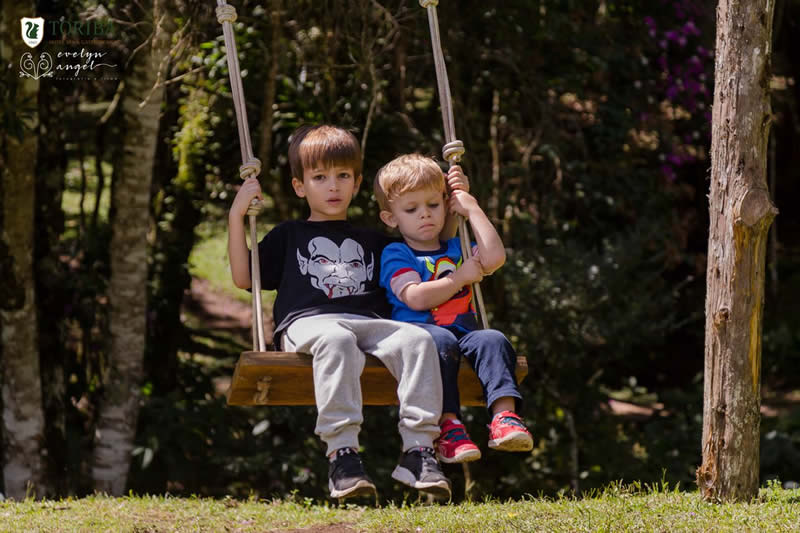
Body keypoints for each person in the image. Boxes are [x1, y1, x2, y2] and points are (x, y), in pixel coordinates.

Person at [228, 125, 454, 501]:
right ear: (300, 186)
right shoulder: (289, 235)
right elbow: (242, 277)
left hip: (369, 324)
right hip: (309, 323)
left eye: (343, 176)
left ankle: (418, 450)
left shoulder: (377, 242)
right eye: (320, 178)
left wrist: (457, 204)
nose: (333, 186)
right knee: (338, 340)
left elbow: (431, 237)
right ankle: (343, 455)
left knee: (418, 338)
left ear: (357, 182)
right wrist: (237, 217)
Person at [374, 153, 533, 464]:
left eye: (433, 205)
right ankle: (449, 426)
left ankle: (504, 419)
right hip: (420, 337)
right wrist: (458, 278)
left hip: (465, 333)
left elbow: (494, 258)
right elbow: (415, 297)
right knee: (440, 341)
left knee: (493, 339)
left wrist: (471, 208)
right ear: (391, 218)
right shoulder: (397, 253)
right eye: (411, 209)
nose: (425, 215)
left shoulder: (456, 246)